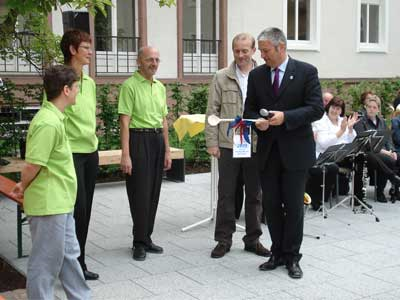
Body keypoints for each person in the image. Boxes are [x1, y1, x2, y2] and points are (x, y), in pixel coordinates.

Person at [243, 27, 324, 279]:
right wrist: (259, 121)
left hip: (296, 153)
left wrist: (285, 117)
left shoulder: (306, 72)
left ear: (281, 48)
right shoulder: (257, 76)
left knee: (293, 206)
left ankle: (292, 256)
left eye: (266, 51)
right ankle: (276, 253)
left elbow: (316, 109)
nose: (262, 55)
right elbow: (250, 110)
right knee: (271, 206)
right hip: (268, 153)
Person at [11, 65, 91, 300]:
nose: (78, 91)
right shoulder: (48, 122)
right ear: (66, 90)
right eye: (76, 87)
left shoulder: (55, 118)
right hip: (49, 205)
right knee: (45, 263)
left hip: (61, 202)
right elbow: (34, 164)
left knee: (68, 256)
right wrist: (22, 186)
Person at [205, 33, 270, 259]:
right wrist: (212, 143)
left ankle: (253, 239)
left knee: (255, 193)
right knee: (226, 193)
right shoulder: (221, 77)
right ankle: (223, 239)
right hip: (228, 143)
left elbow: (270, 109)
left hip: (255, 145)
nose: (240, 55)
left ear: (253, 51)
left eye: (245, 50)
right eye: (236, 51)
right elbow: (212, 111)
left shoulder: (264, 75)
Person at [118, 46, 172, 261]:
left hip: (157, 140)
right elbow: (124, 121)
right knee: (140, 193)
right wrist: (126, 154)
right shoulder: (129, 86)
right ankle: (138, 242)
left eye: (157, 59)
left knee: (153, 192)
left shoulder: (160, 87)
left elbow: (164, 120)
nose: (154, 63)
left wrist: (168, 150)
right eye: (150, 59)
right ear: (139, 61)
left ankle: (147, 237)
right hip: (138, 139)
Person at [59, 29, 99, 280]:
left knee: (85, 212)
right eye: (85, 47)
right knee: (76, 210)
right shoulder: (59, 80)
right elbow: (55, 116)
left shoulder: (90, 82)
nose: (90, 52)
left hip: (90, 153)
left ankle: (79, 263)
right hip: (70, 153)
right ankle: (71, 266)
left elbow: (89, 116)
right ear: (72, 50)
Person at [307, 97, 358, 210]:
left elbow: (352, 141)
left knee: (361, 159)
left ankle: (359, 197)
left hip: (343, 154)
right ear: (328, 107)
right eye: (333, 107)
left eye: (338, 109)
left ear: (341, 111)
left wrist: (349, 129)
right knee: (332, 168)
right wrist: (340, 132)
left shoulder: (342, 121)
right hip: (325, 155)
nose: (335, 111)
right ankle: (320, 198)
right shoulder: (320, 121)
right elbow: (323, 143)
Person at [354, 95, 400, 203]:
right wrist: (386, 152)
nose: (371, 109)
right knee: (387, 159)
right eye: (369, 107)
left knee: (396, 156)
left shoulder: (382, 122)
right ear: (366, 107)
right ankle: (381, 191)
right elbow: (366, 143)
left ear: (378, 109)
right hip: (368, 153)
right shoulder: (360, 122)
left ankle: (395, 190)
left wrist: (392, 151)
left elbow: (388, 139)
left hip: (385, 152)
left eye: (374, 107)